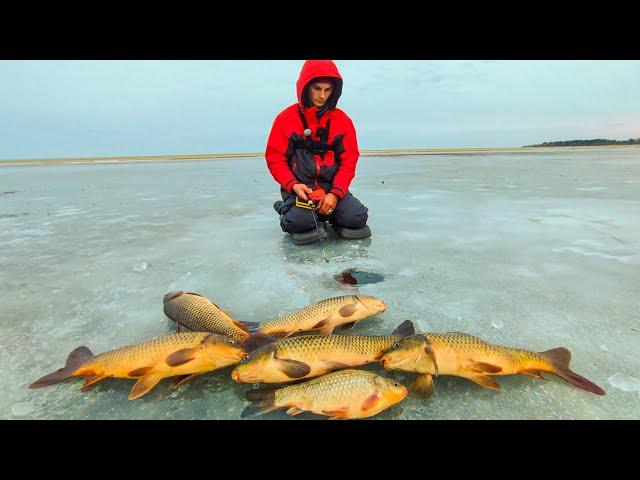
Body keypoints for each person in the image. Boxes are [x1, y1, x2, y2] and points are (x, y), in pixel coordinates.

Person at [265, 60, 371, 245]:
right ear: (305, 87)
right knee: (299, 222)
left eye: (327, 90)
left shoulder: (343, 121)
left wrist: (335, 194)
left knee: (356, 218)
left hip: (331, 188)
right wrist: (293, 185)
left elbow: (349, 161)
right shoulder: (285, 119)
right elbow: (275, 159)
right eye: (317, 88)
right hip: (300, 191)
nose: (322, 95)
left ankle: (331, 213)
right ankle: (285, 210)